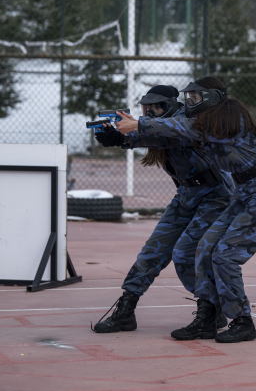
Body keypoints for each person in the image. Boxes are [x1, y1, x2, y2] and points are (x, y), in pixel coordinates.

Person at [115, 77, 256, 343]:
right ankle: (207, 319)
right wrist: (125, 137)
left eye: (195, 99)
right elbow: (173, 137)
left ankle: (243, 322)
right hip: (244, 193)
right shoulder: (207, 122)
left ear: (211, 98)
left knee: (225, 255)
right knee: (200, 249)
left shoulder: (230, 119)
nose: (190, 104)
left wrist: (138, 123)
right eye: (189, 99)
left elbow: (187, 128)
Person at [92, 85, 235, 341]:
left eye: (154, 108)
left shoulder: (187, 122)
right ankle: (126, 308)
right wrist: (117, 137)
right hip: (186, 197)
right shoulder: (157, 128)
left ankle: (210, 310)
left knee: (185, 253)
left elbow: (166, 133)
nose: (148, 113)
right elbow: (147, 136)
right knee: (152, 252)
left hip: (216, 197)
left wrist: (135, 129)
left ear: (168, 106)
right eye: (146, 108)